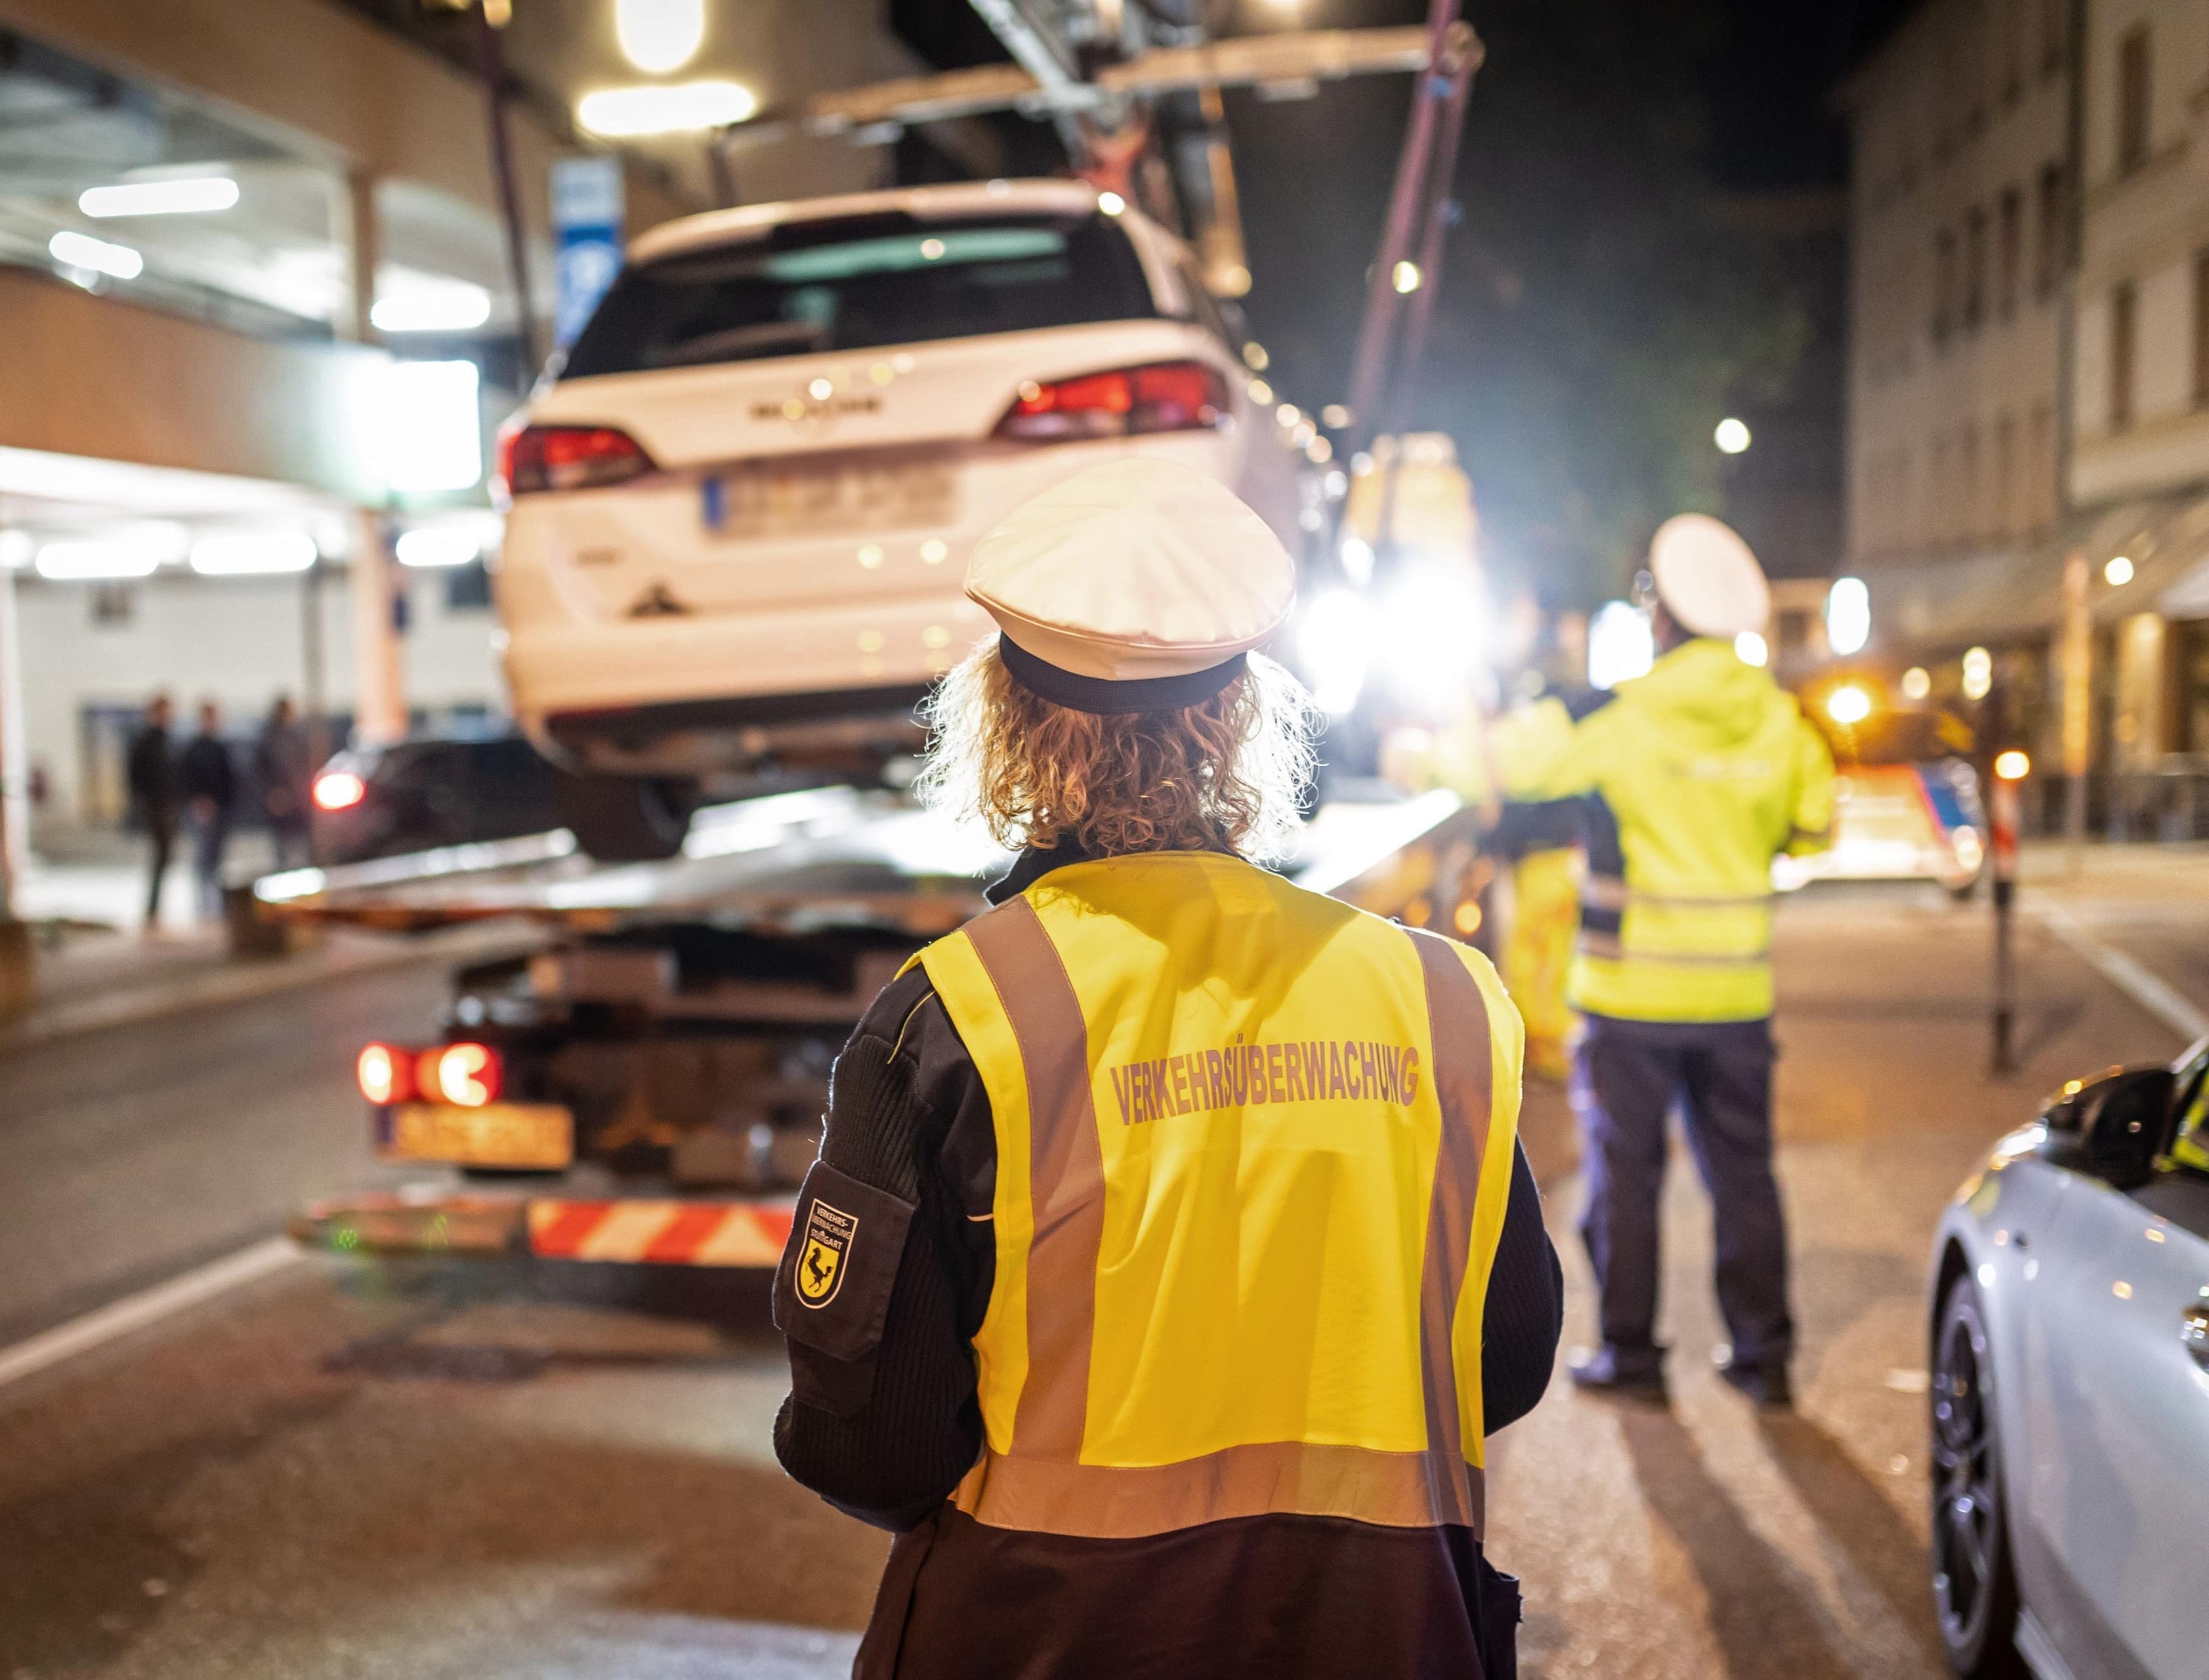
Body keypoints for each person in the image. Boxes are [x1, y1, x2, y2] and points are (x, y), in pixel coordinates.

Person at [771, 459, 1562, 1680]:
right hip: (1387, 1634)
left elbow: (877, 1447)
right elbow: (1501, 1358)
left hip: (1048, 1637)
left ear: (1003, 721)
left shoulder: (958, 1016)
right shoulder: (1441, 1000)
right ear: (1243, 718)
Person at [1486, 515, 1835, 1409]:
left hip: (1630, 999)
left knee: (1627, 1183)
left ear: (1663, 617)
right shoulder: (1781, 720)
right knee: (1745, 1179)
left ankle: (1633, 1358)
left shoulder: (1620, 716)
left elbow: (1513, 770)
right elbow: (1815, 824)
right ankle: (1765, 1358)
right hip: (1735, 997)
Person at [125, 695, 182, 930]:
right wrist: (144, 802)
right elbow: (135, 776)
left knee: (166, 858)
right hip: (156, 807)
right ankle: (152, 910)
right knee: (160, 858)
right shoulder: (146, 742)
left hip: (169, 806)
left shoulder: (169, 741)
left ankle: (156, 909)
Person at [180, 700, 237, 919]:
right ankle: (203, 907)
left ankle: (216, 907)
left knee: (217, 862)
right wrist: (199, 802)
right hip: (202, 812)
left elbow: (229, 781)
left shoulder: (220, 748)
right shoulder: (194, 749)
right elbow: (187, 779)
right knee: (203, 862)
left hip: (221, 811)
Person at [252, 696, 314, 869]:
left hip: (296, 804)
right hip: (281, 805)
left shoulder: (292, 737)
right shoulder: (271, 739)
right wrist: (273, 796)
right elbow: (261, 773)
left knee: (297, 853)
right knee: (284, 855)